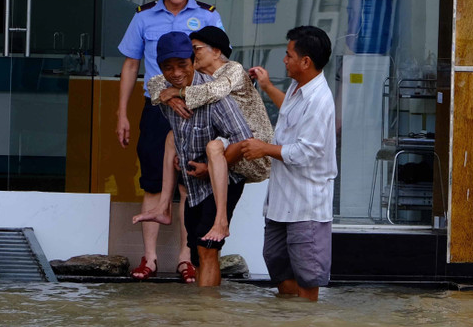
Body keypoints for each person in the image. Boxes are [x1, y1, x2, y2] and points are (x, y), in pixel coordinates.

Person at [117, 0, 224, 283]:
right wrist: (121, 113)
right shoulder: (144, 17)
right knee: (151, 180)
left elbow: (218, 65)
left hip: (196, 110)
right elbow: (131, 65)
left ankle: (184, 257)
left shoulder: (208, 16)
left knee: (188, 183)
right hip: (156, 109)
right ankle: (148, 258)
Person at [139, 25, 274, 243]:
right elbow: (155, 82)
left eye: (196, 49)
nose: (191, 55)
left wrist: (176, 91)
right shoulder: (196, 75)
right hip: (228, 143)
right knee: (172, 137)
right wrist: (167, 96)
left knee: (213, 147)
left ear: (217, 51)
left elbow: (214, 91)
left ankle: (221, 221)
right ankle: (163, 206)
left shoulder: (233, 70)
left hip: (252, 148)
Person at [242, 26, 336, 301]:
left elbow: (306, 153)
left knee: (308, 275)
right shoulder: (299, 87)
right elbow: (291, 112)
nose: (284, 59)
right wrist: (267, 86)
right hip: (281, 202)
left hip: (306, 206)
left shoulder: (320, 100)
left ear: (305, 62)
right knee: (278, 267)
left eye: (288, 55)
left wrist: (264, 149)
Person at [153, 31, 253, 287]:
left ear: (193, 61)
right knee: (198, 253)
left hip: (225, 179)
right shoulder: (166, 94)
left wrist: (210, 167)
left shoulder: (216, 96)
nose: (175, 73)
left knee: (208, 249)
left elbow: (243, 141)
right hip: (193, 186)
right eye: (168, 67)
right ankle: (201, 315)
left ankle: (208, 320)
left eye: (182, 65)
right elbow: (153, 87)